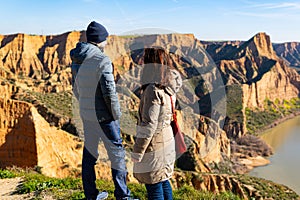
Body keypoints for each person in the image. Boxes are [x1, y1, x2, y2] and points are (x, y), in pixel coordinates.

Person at [70, 21, 133, 200]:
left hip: (87, 114)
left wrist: (84, 106)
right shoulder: (102, 59)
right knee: (117, 154)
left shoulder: (76, 58)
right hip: (105, 116)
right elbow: (109, 93)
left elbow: (75, 87)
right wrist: (116, 115)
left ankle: (91, 195)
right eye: (105, 38)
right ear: (100, 40)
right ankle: (123, 195)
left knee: (89, 154)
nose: (107, 42)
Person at [131, 48, 182, 200]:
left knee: (154, 187)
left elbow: (149, 125)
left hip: (155, 146)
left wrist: (138, 152)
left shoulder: (153, 90)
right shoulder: (169, 86)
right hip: (167, 142)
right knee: (163, 180)